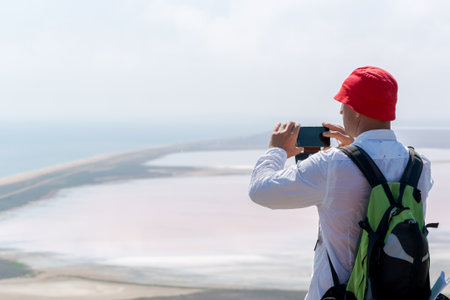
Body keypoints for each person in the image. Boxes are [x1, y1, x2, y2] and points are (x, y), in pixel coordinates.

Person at [248, 66, 433, 300]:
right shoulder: (419, 166)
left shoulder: (333, 165)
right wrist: (355, 148)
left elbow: (260, 191)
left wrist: (276, 151)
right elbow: (380, 166)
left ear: (356, 112)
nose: (340, 110)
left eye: (343, 104)